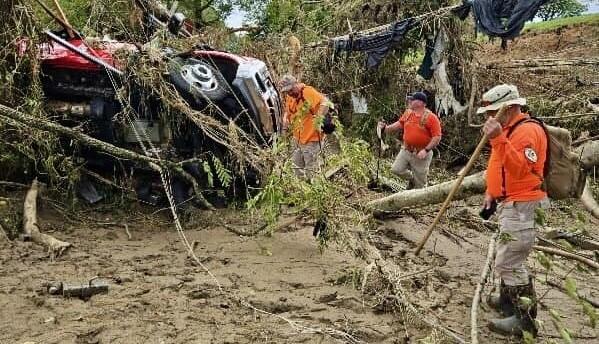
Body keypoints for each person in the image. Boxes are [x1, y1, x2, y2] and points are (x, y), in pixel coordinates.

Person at [479, 84, 549, 337]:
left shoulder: (527, 131)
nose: (489, 118)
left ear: (509, 108)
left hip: (524, 205)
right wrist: (492, 191)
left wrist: (497, 137)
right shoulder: (508, 130)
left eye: (493, 112)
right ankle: (508, 302)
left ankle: (525, 320)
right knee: (506, 253)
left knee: (510, 260)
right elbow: (500, 165)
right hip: (509, 202)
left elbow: (522, 169)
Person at [377, 91, 442, 189]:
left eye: (412, 99)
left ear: (421, 103)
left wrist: (426, 150)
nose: (409, 101)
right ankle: (412, 179)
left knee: (420, 185)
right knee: (396, 169)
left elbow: (437, 137)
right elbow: (399, 124)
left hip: (421, 154)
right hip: (406, 150)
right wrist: (385, 128)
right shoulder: (408, 113)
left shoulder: (431, 118)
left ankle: (421, 202)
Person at [278, 75, 331, 179]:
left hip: (312, 139)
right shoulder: (290, 97)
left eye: (291, 90)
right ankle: (302, 190)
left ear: (296, 84)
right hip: (297, 139)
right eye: (287, 91)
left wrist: (318, 117)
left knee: (311, 170)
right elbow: (287, 112)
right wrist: (285, 123)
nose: (289, 93)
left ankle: (315, 190)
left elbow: (325, 102)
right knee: (296, 168)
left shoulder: (308, 92)